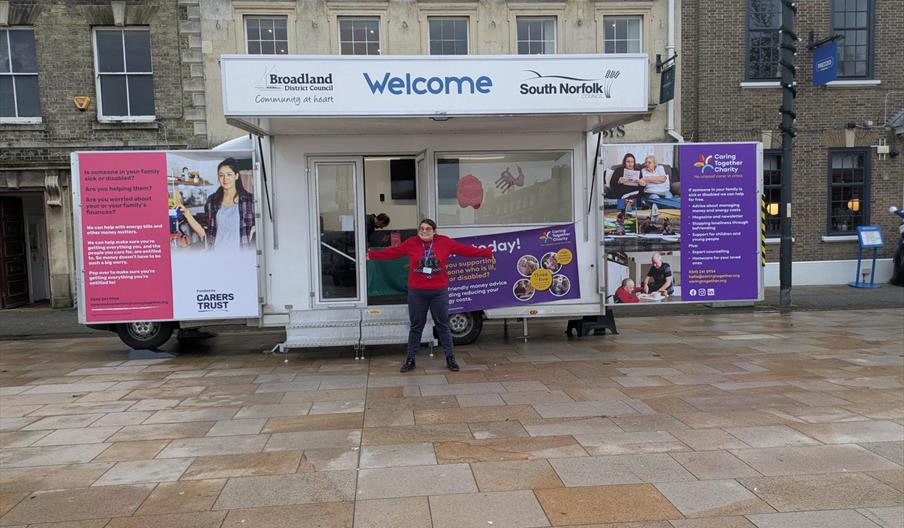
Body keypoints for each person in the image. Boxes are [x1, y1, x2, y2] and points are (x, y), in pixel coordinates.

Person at [368, 219, 493, 373]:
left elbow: (465, 250)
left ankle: (450, 358)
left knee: (442, 325)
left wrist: (486, 253)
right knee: (416, 326)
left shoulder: (445, 242)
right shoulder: (411, 243)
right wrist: (372, 255)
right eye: (421, 228)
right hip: (417, 292)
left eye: (428, 228)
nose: (424, 231)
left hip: (438, 292)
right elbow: (393, 252)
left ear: (434, 231)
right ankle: (410, 359)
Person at [178, 158, 255, 251]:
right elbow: (204, 233)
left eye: (229, 174)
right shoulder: (212, 201)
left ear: (236, 176)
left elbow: (263, 224)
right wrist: (187, 214)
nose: (225, 179)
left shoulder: (250, 200)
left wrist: (255, 229)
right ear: (218, 178)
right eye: (221, 175)